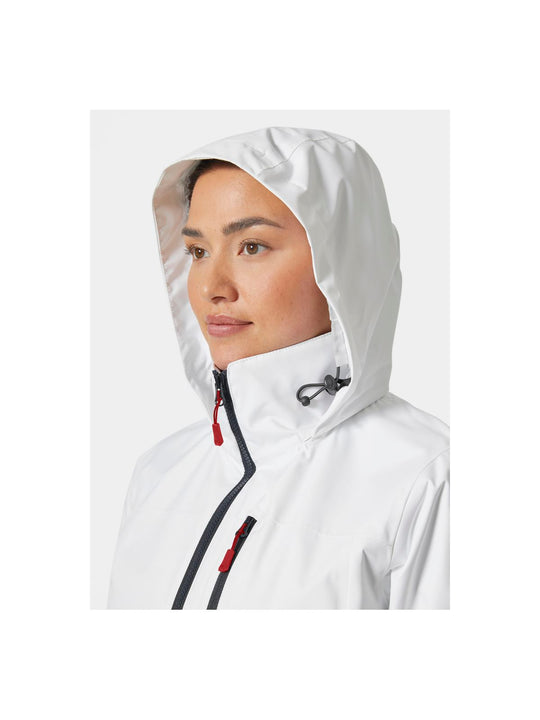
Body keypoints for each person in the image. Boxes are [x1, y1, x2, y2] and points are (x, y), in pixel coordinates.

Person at [107, 126, 449, 610]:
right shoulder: (160, 472)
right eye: (198, 252)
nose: (211, 287)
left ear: (343, 263)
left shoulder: (427, 479)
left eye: (251, 246)